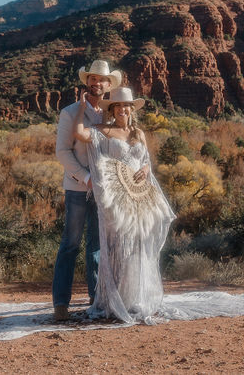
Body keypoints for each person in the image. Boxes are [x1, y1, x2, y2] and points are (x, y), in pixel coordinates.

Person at [73, 86, 176, 324]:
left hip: (139, 196)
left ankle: (134, 298)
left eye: (126, 106)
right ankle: (114, 300)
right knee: (117, 246)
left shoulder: (138, 133)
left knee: (137, 246)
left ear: (131, 109)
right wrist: (80, 108)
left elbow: (146, 161)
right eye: (118, 106)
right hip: (116, 199)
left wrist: (145, 169)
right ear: (113, 109)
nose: (122, 110)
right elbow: (79, 132)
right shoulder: (102, 131)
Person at [51, 59, 122, 322]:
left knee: (96, 245)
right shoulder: (70, 112)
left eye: (101, 79)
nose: (96, 83)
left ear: (108, 85)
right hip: (78, 188)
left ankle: (96, 299)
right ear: (87, 82)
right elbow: (62, 151)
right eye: (92, 78)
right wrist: (86, 177)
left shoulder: (111, 115)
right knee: (70, 245)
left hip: (105, 190)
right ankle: (60, 303)